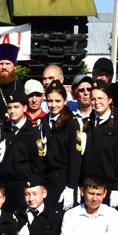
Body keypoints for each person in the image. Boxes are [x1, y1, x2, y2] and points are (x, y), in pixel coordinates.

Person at [0, 84, 43, 213]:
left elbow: (37, 163)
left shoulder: (32, 131)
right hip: (2, 185)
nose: (12, 111)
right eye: (9, 107)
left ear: (25, 107)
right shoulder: (2, 128)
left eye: (16, 107)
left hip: (22, 186)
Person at [80, 81, 118, 212]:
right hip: (88, 190)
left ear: (109, 100)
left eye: (100, 98)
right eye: (93, 99)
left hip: (108, 190)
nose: (96, 102)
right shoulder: (86, 126)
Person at [39, 80, 82, 211]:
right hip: (47, 179)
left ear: (65, 101)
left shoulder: (71, 123)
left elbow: (76, 157)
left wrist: (71, 186)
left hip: (64, 179)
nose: (53, 105)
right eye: (50, 101)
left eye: (57, 101)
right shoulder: (43, 121)